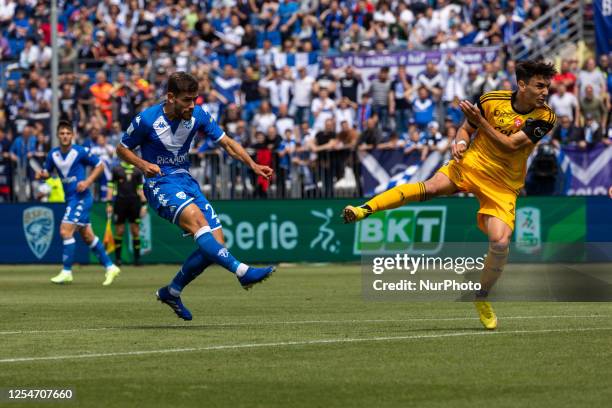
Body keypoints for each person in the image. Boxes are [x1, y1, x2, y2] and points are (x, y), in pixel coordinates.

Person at [342, 60, 558, 330]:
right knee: (430, 187)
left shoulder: (545, 116)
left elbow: (511, 145)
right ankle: (365, 209)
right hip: (471, 165)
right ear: (522, 84)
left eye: (547, 86)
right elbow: (466, 128)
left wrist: (481, 123)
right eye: (540, 86)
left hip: (503, 185)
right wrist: (460, 142)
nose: (545, 92)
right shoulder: (491, 100)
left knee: (500, 243)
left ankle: (481, 296)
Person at [116, 72, 275, 321]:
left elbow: (227, 143)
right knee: (200, 225)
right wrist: (141, 164)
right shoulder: (147, 119)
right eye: (187, 100)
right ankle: (243, 271)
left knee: (216, 244)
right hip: (160, 182)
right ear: (171, 97)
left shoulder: (198, 115)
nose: (192, 105)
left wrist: (253, 165)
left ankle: (172, 291)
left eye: (195, 99)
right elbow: (122, 149)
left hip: (187, 182)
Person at [35, 120, 121, 285]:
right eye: (62, 133)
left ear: (72, 135)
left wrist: (87, 182)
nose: (65, 136)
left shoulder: (80, 151)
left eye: (68, 133)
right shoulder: (53, 154)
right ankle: (110, 267)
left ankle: (67, 271)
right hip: (70, 199)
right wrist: (42, 175)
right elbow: (47, 172)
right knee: (88, 237)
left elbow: (100, 165)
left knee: (65, 231)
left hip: (81, 197)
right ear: (58, 135)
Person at [106, 161, 147, 266]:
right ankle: (118, 260)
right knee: (119, 231)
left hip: (134, 203)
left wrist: (144, 205)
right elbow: (110, 187)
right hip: (120, 203)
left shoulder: (138, 170)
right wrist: (109, 203)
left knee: (135, 231)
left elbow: (140, 189)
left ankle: (137, 260)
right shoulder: (116, 169)